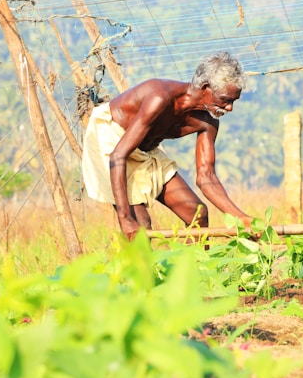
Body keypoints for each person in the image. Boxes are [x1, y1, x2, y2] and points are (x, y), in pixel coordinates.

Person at [82, 51, 254, 240]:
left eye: (233, 101)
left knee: (197, 213)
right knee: (139, 225)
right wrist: (125, 218)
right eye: (226, 99)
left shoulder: (208, 122)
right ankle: (141, 269)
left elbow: (207, 177)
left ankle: (196, 268)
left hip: (143, 151)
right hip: (111, 141)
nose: (230, 108)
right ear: (205, 88)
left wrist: (241, 218)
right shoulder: (160, 97)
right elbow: (118, 155)